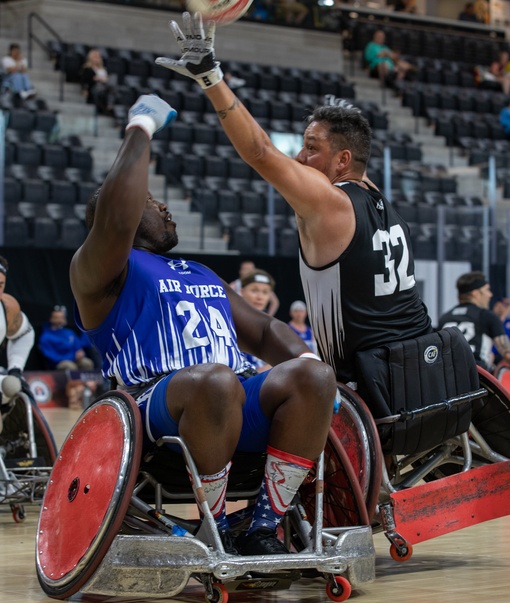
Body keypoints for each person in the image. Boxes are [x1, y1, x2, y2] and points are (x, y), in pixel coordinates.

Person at [69, 93, 336, 556]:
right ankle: (216, 528)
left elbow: (264, 330)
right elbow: (114, 218)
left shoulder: (200, 272)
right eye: (152, 203)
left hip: (233, 398)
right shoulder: (100, 270)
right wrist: (142, 128)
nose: (166, 209)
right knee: (215, 380)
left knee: (314, 375)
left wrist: (308, 361)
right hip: (156, 407)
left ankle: (262, 526)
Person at [156, 14, 441, 385]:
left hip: (366, 379)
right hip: (420, 366)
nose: (299, 158)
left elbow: (261, 152)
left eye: (311, 148)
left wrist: (211, 78)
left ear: (343, 160)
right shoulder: (382, 204)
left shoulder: (332, 202)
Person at [438, 272, 510, 375]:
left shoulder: (445, 317)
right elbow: (509, 354)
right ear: (475, 293)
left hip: (446, 376)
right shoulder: (486, 316)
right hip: (477, 376)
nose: (490, 295)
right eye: (487, 290)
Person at [38, 305, 94, 371]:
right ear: (51, 319)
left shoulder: (69, 332)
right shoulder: (46, 337)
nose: (60, 320)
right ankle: (75, 381)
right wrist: (72, 357)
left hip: (75, 359)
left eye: (62, 317)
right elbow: (51, 356)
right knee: (70, 366)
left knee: (87, 363)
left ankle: (90, 381)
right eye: (57, 318)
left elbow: (78, 346)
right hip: (60, 362)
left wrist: (80, 353)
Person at [81, 49, 114, 115]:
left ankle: (109, 106)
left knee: (110, 88)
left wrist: (100, 78)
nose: (97, 59)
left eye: (98, 57)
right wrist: (100, 79)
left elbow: (106, 78)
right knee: (103, 89)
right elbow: (88, 80)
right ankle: (106, 106)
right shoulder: (88, 68)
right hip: (94, 87)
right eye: (95, 57)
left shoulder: (104, 69)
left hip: (105, 86)